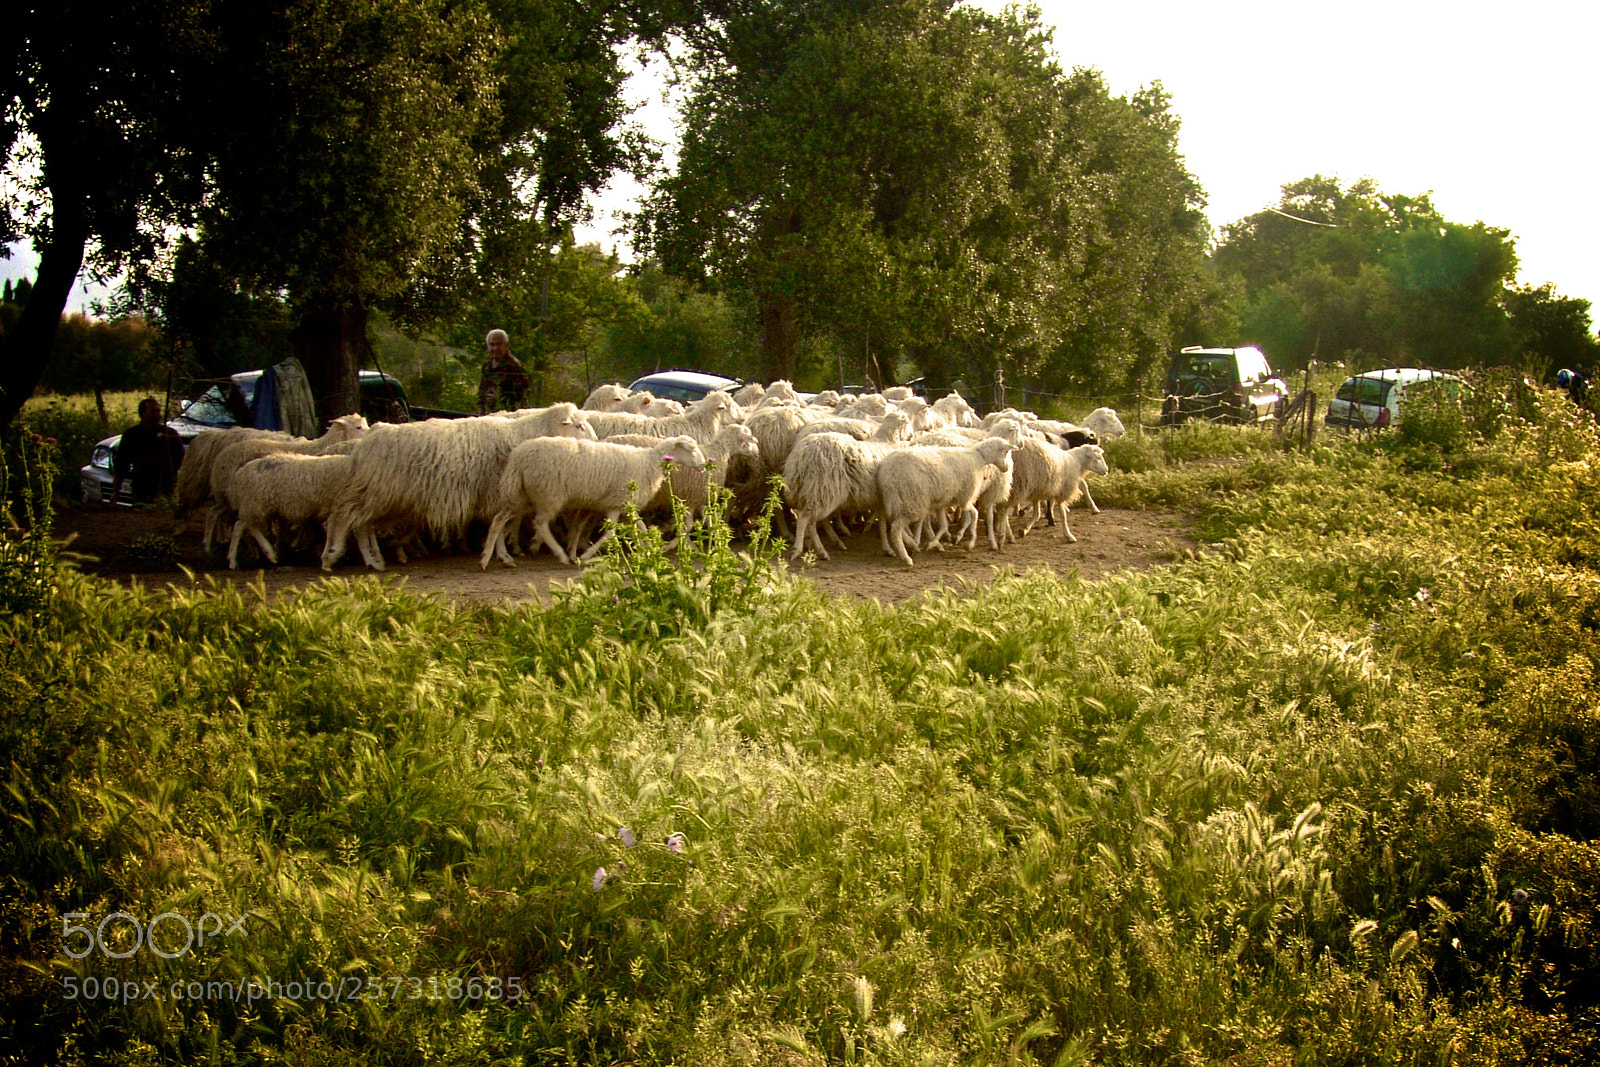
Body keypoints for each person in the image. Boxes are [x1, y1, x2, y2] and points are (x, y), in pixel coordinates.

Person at [109, 397, 185, 504]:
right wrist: (116, 491)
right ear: (143, 414)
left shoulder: (169, 435)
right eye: (153, 412)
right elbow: (121, 465)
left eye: (158, 411)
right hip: (141, 488)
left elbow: (182, 460)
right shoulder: (131, 435)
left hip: (166, 487)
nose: (157, 415)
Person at [478, 328, 531, 414]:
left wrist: (499, 399)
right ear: (487, 347)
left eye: (499, 344)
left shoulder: (514, 367)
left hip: (508, 417)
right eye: (492, 344)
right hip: (489, 415)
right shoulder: (487, 366)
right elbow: (481, 393)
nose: (495, 348)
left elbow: (522, 399)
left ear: (506, 345)